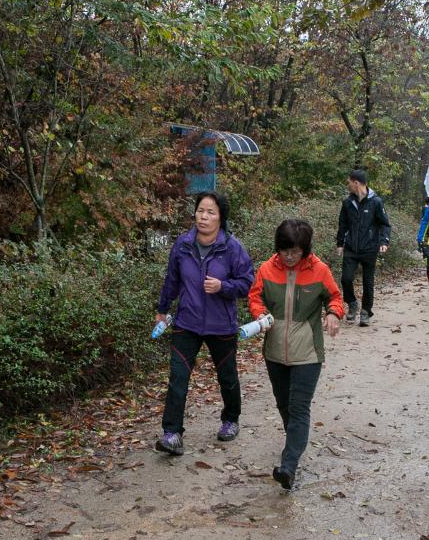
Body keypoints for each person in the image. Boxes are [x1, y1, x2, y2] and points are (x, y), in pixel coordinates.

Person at [153, 192, 255, 456]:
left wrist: (223, 286)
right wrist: (162, 310)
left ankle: (231, 419)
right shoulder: (183, 244)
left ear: (221, 217)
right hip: (187, 322)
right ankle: (172, 433)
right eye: (200, 211)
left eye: (210, 212)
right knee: (178, 377)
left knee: (228, 377)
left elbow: (247, 283)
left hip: (221, 325)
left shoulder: (232, 248)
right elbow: (171, 280)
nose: (204, 217)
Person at [248, 219, 344, 490]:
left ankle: (288, 466)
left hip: (308, 353)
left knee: (299, 407)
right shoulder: (267, 269)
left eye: (295, 251)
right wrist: (260, 314)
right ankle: (296, 442)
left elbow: (335, 298)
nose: (289, 257)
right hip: (274, 350)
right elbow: (255, 297)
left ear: (305, 249)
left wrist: (333, 314)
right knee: (283, 404)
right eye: (285, 250)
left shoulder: (319, 270)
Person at [335, 168, 391, 327]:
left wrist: (384, 242)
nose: (348, 186)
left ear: (356, 183)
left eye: (349, 183)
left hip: (369, 248)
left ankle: (366, 311)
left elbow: (385, 224)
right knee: (346, 278)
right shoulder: (347, 203)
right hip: (351, 248)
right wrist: (340, 244)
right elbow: (342, 224)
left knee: (368, 282)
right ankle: (352, 303)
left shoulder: (376, 202)